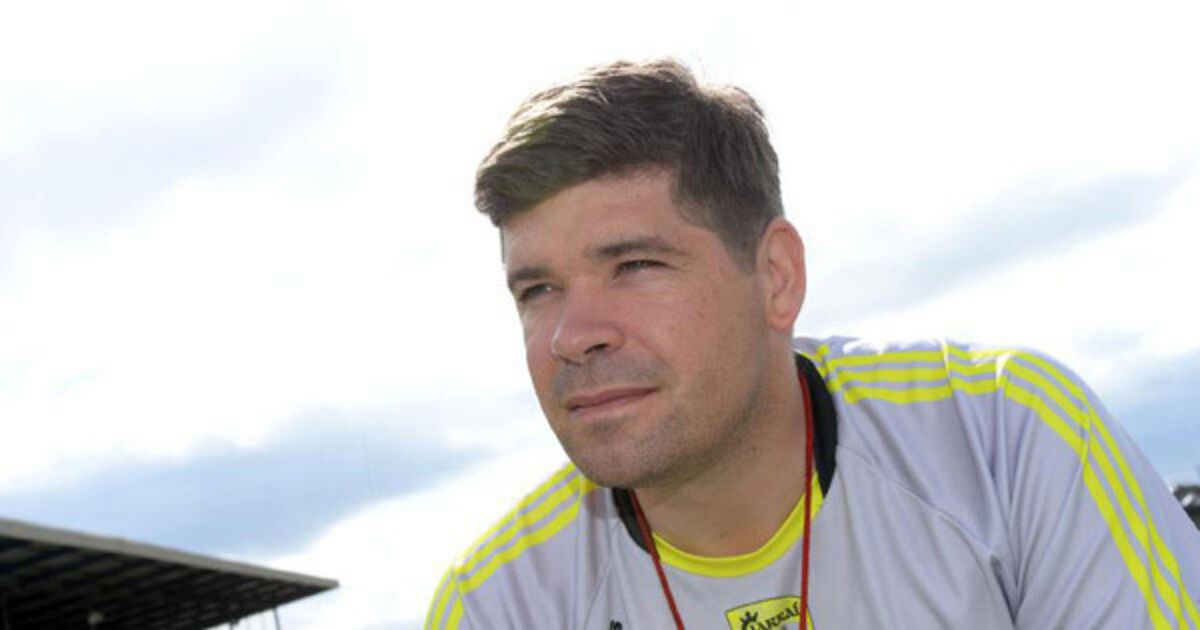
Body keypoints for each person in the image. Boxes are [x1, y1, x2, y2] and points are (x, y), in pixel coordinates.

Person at [425, 59, 1200, 630]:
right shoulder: (495, 607)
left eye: (634, 266)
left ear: (776, 277)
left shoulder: (1005, 440)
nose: (572, 336)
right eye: (538, 290)